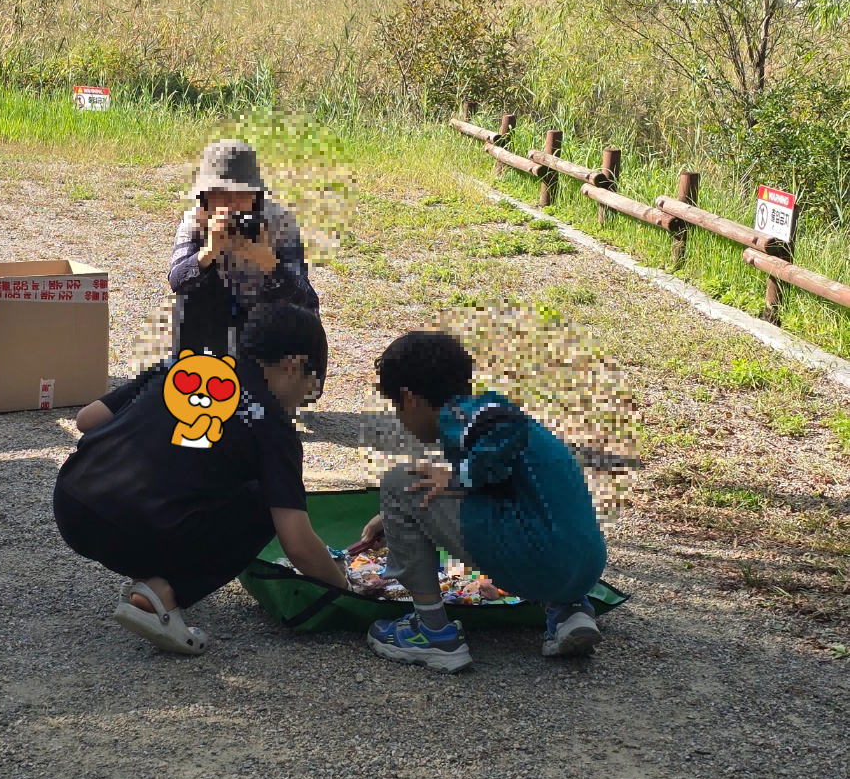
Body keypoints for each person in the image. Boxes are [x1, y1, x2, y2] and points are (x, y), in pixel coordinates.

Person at [53, 303, 348, 656]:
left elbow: (87, 419)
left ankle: (147, 569)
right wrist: (344, 588)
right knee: (262, 502)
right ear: (294, 366)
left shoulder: (184, 365)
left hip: (71, 505)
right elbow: (297, 543)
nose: (302, 406)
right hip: (131, 532)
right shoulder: (273, 425)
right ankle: (165, 590)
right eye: (309, 392)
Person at [359, 330, 608, 674]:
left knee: (400, 482)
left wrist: (457, 478)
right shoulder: (480, 419)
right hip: (585, 568)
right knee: (530, 499)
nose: (400, 419)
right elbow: (501, 476)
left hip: (540, 561)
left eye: (396, 408)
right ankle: (568, 611)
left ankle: (432, 632)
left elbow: (505, 430)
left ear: (409, 398)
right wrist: (391, 518)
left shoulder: (465, 415)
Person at [168, 139, 319, 363]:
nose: (231, 205)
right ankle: (192, 374)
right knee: (190, 297)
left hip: (271, 337)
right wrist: (207, 253)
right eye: (221, 194)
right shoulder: (195, 222)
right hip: (215, 334)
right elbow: (177, 282)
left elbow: (304, 299)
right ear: (205, 198)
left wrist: (269, 264)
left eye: (241, 194)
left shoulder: (279, 224)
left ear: (257, 197)